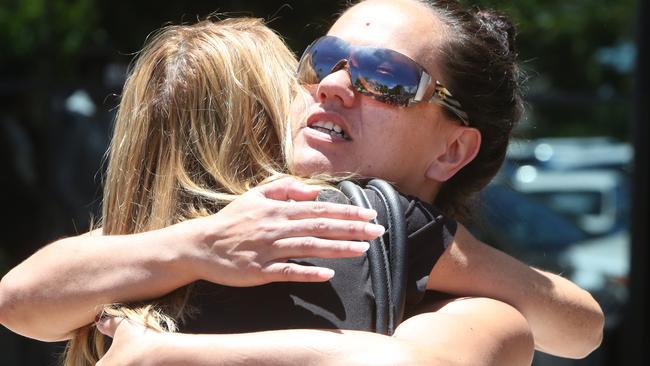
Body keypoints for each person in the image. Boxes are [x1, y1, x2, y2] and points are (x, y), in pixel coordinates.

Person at [0, 1, 603, 365]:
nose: (334, 85)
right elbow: (17, 299)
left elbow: (580, 325)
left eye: (386, 77)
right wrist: (199, 245)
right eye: (324, 58)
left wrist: (173, 353)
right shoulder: (244, 223)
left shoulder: (464, 294)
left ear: (452, 151)